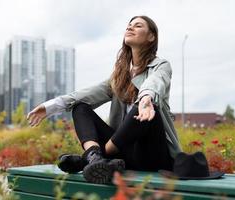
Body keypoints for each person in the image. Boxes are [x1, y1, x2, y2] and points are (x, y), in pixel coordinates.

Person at [26, 16, 182, 184]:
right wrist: (50, 107)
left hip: (152, 155)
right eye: (129, 26)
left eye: (137, 26)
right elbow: (87, 93)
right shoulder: (120, 76)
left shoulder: (161, 65)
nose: (130, 28)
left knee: (143, 110)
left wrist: (146, 99)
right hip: (123, 153)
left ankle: (89, 160)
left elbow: (156, 81)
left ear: (151, 36)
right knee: (80, 107)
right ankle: (94, 157)